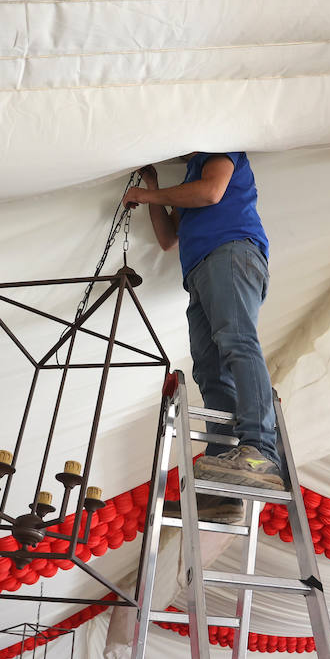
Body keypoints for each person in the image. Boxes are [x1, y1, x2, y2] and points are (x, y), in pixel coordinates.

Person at [123, 152, 282, 523]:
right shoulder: (188, 180)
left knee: (238, 344)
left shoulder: (221, 149)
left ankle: (260, 450)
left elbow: (211, 192)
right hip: (200, 272)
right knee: (210, 372)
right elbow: (167, 239)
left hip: (231, 254)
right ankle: (223, 493)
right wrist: (153, 188)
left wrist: (147, 197)